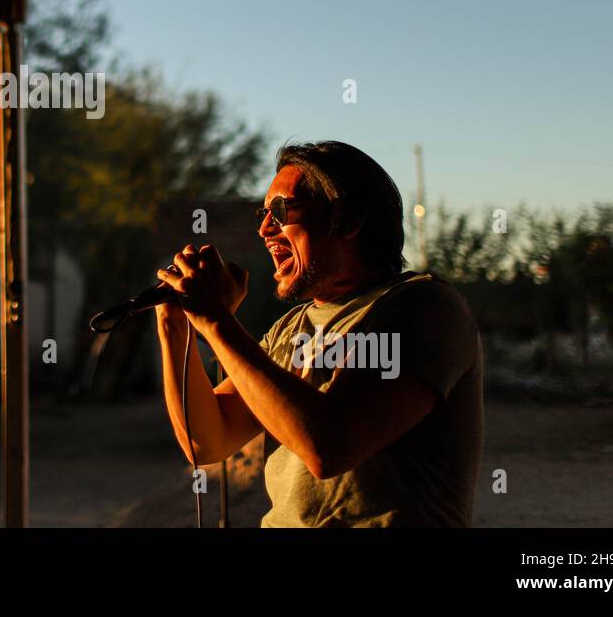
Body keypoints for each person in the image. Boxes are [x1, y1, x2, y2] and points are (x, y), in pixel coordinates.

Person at [155, 140, 483, 527]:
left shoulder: (425, 307)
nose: (264, 229)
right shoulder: (290, 329)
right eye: (263, 214)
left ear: (347, 219)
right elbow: (207, 441)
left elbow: (329, 446)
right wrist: (175, 326)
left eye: (281, 210)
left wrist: (217, 322)